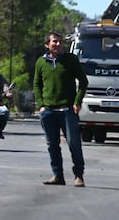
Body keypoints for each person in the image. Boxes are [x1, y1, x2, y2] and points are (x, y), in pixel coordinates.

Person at [33, 31, 88, 187]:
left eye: (59, 42)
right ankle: (58, 175)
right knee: (52, 145)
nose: (57, 44)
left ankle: (79, 175)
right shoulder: (41, 62)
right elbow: (37, 85)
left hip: (67, 111)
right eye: (54, 42)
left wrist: (77, 102)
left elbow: (83, 82)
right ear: (47, 45)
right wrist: (41, 104)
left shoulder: (70, 60)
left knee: (74, 144)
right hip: (48, 111)